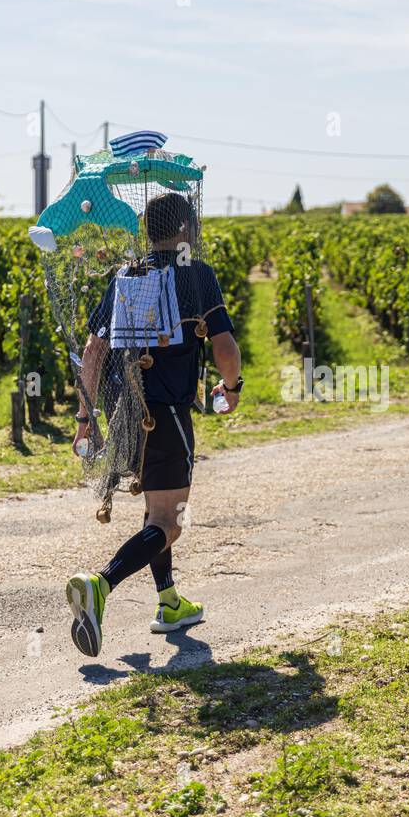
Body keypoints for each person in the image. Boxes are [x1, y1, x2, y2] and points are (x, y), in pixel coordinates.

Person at [65, 193, 243, 656]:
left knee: (155, 508)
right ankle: (100, 585)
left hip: (128, 414)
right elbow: (224, 347)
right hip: (168, 414)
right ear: (185, 227)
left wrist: (86, 417)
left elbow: (92, 353)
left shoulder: (126, 276)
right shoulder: (196, 275)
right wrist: (233, 386)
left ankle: (169, 604)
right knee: (170, 519)